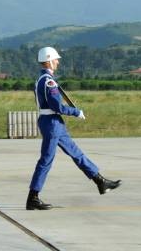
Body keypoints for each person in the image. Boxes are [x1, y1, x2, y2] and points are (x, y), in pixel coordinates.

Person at [26, 46, 121, 210]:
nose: (57, 62)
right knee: (46, 161)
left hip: (53, 122)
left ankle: (100, 181)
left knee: (76, 153)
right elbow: (57, 106)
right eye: (55, 59)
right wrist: (76, 112)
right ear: (48, 60)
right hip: (52, 122)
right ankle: (33, 197)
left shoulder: (43, 79)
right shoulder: (48, 81)